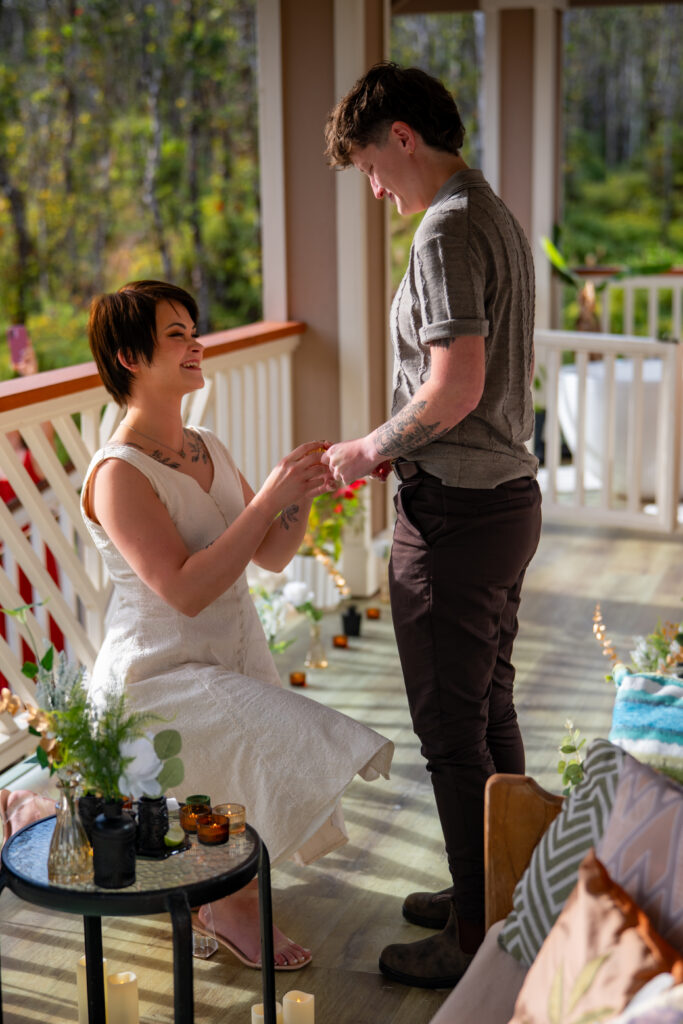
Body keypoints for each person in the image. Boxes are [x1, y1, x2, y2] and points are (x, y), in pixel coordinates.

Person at [80, 280, 393, 971]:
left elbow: (272, 553)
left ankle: (222, 899)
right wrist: (270, 496)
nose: (197, 345)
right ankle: (227, 905)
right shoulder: (117, 474)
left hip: (228, 652)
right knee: (284, 734)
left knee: (249, 767)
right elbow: (184, 590)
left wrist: (303, 491)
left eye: (194, 330)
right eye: (176, 335)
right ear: (130, 357)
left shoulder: (207, 445)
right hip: (156, 674)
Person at [323, 62, 542, 988]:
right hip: (501, 503)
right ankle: (500, 895)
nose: (374, 187)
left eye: (371, 165)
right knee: (487, 708)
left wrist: (366, 449)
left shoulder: (447, 229)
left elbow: (452, 387)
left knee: (452, 728)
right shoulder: (490, 210)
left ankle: (472, 944)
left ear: (401, 137)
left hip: (453, 511)